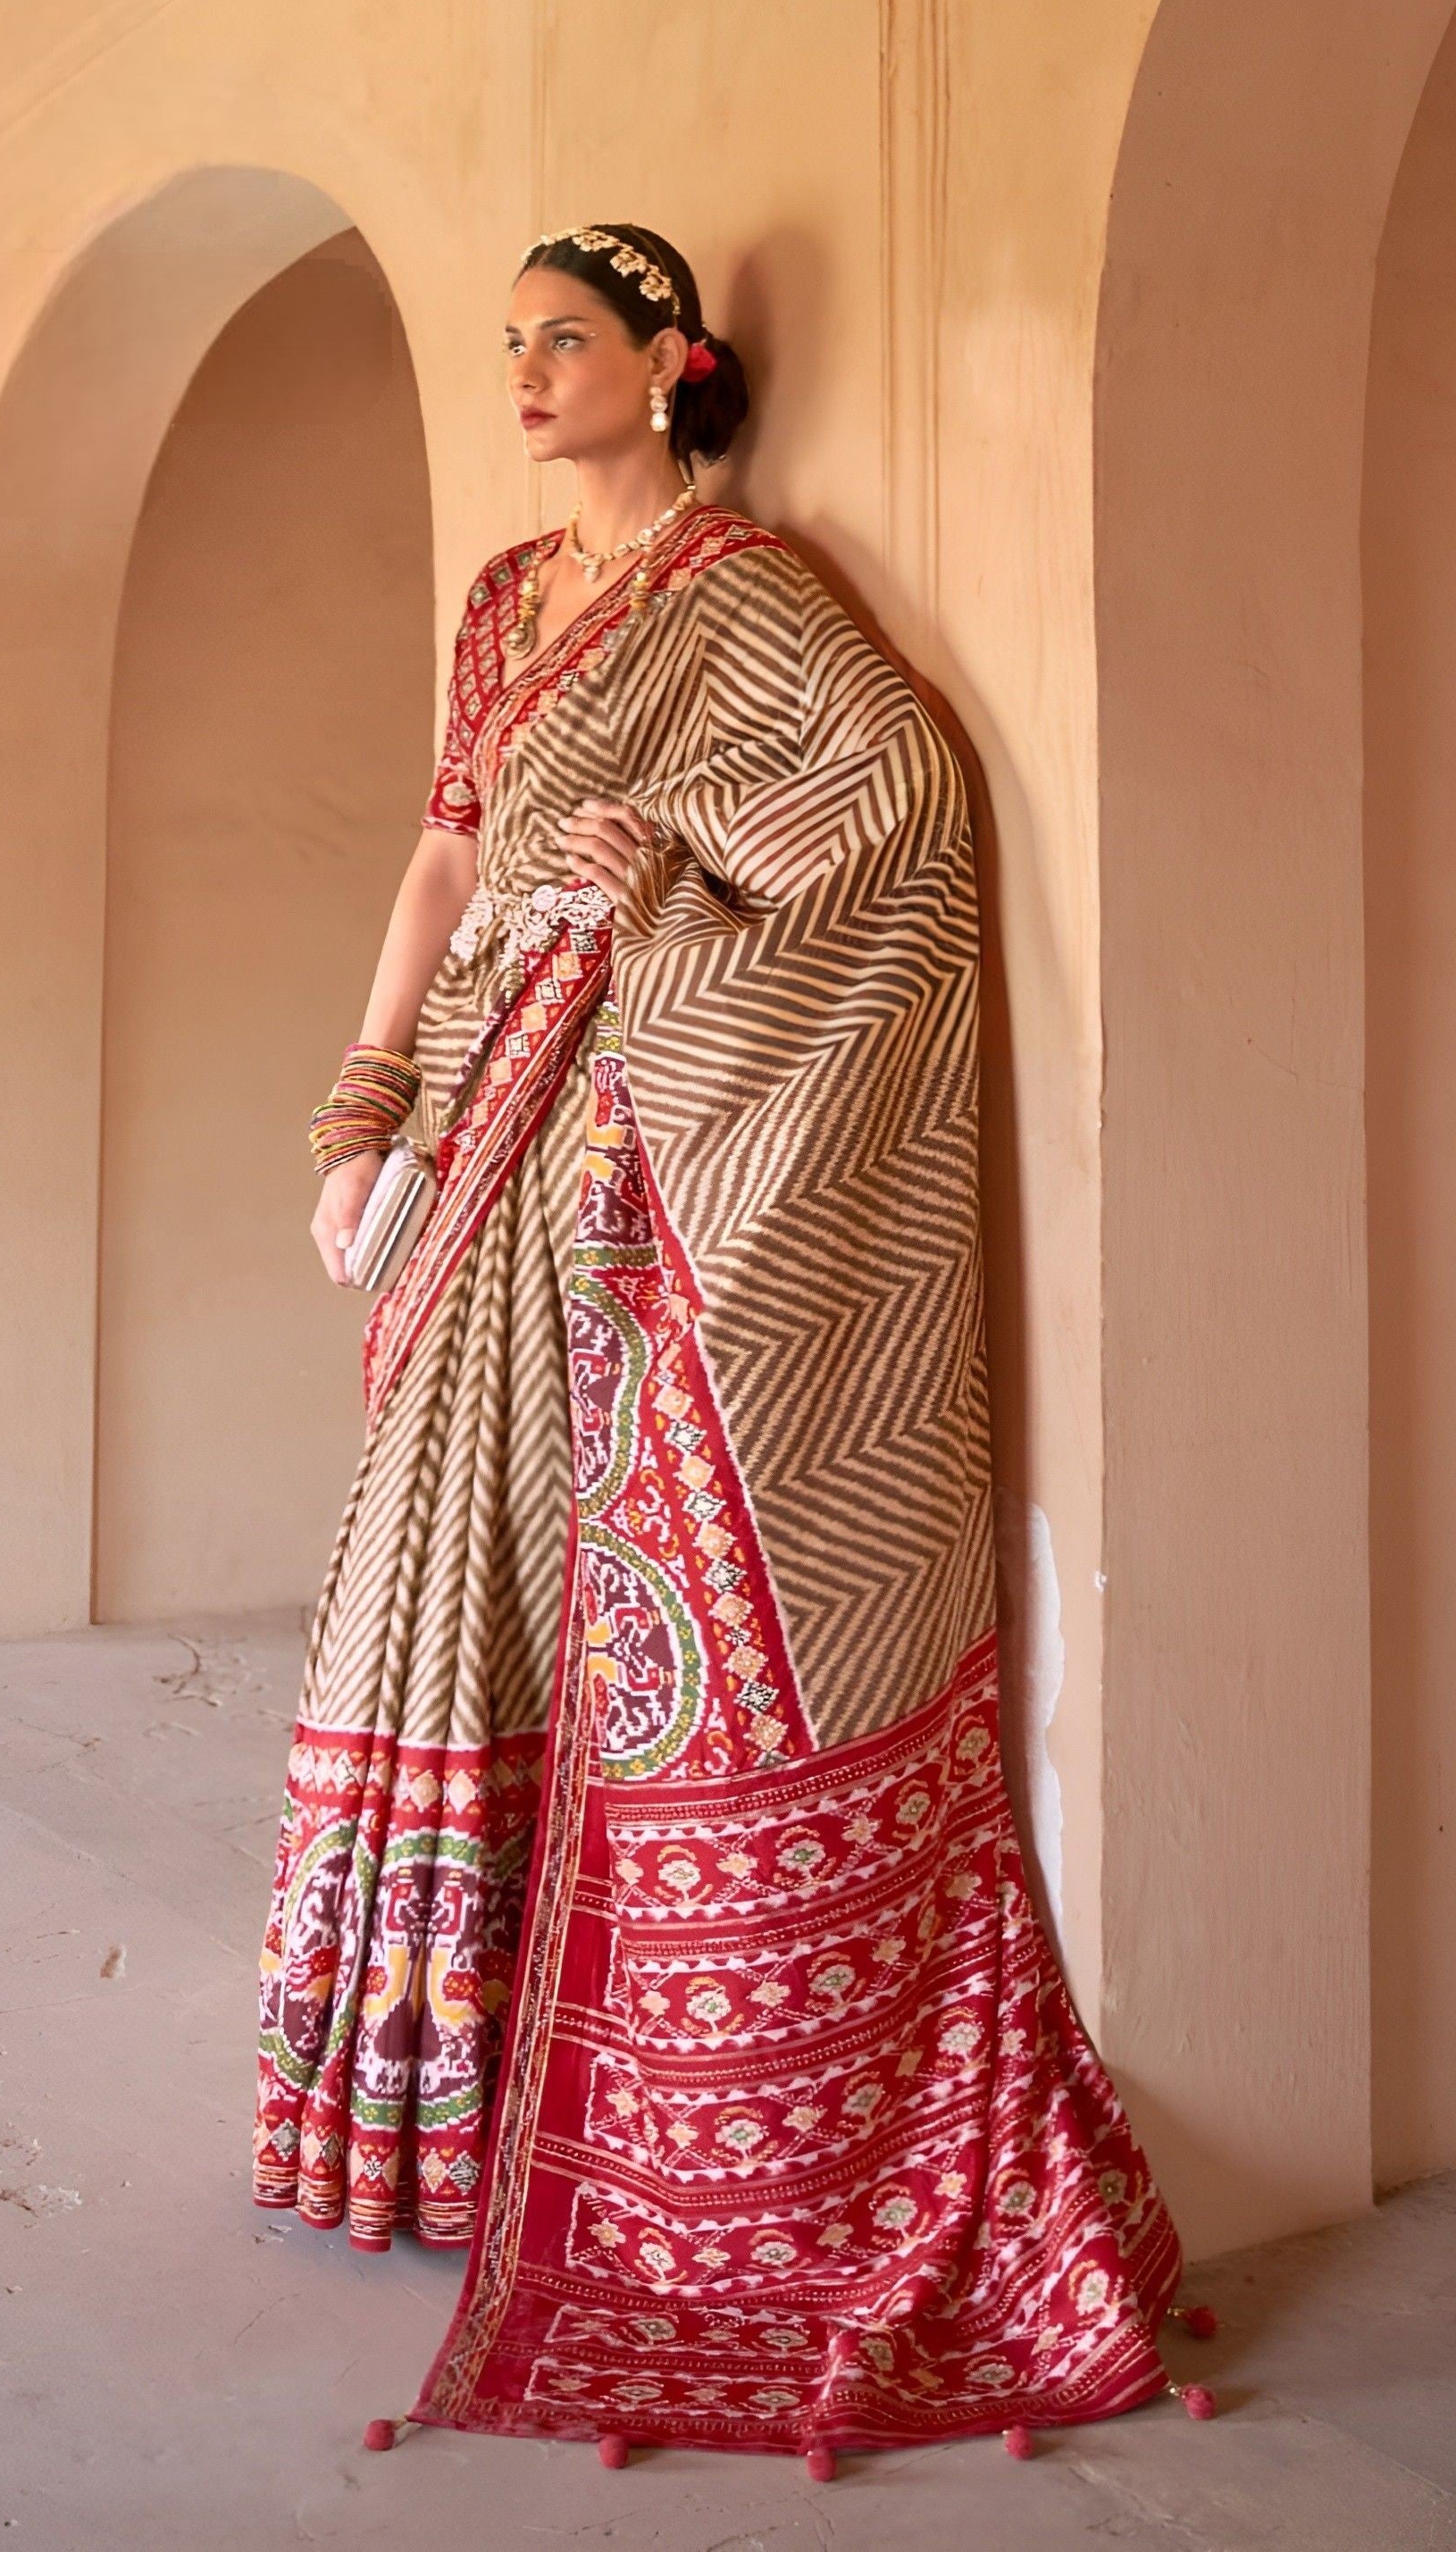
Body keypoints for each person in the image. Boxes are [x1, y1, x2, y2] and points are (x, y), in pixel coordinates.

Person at [253, 222, 1216, 2466]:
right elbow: (439, 861)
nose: (522, 371)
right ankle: (429, 2089)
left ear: (668, 366)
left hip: (631, 1141)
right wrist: (361, 1099)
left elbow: (894, 791)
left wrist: (676, 863)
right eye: (507, 343)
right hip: (476, 1119)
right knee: (423, 1557)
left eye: (559, 340)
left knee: (598, 1579)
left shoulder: (756, 594)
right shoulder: (503, 604)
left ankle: (618, 2092)